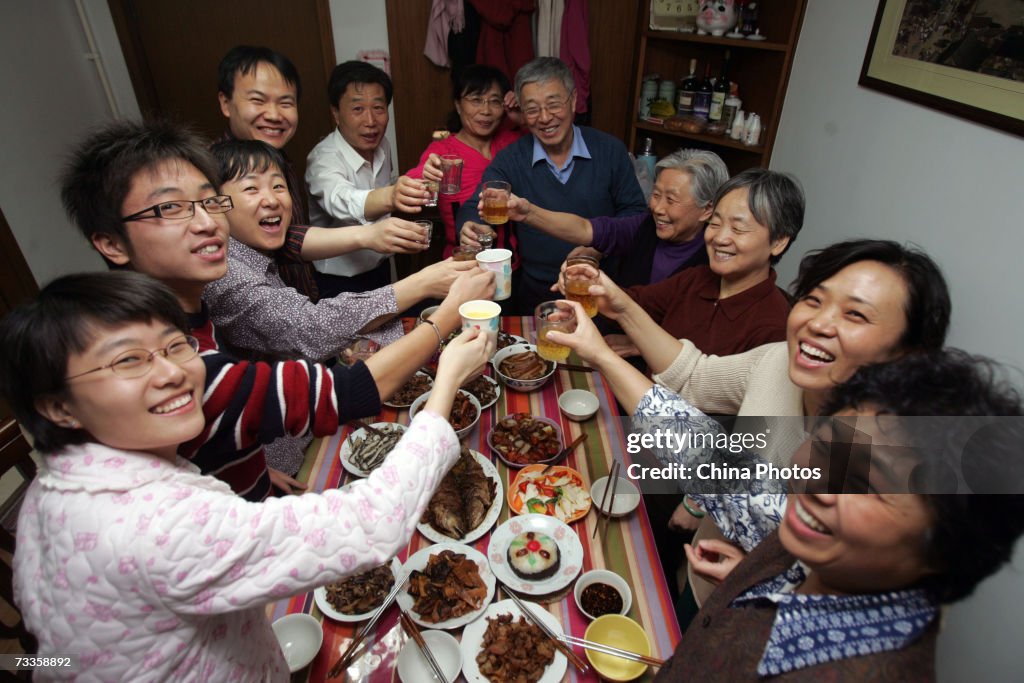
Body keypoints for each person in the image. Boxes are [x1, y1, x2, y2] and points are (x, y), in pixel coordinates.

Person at [0, 271, 494, 681]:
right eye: (129, 360)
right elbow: (373, 522)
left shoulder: (49, 490)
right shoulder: (155, 526)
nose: (172, 372)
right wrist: (446, 379)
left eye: (176, 346)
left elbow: (52, 658)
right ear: (58, 406)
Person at [549, 305, 1024, 680]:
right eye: (827, 444)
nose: (816, 484)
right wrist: (769, 584)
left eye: (868, 487)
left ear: (943, 550)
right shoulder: (817, 555)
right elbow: (712, 460)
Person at [59, 119, 494, 499]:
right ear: (112, 243)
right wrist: (443, 312)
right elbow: (324, 354)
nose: (207, 221)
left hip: (261, 458)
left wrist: (234, 461)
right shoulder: (180, 357)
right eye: (171, 207)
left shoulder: (188, 304)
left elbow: (186, 443)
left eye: (210, 202)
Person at [207, 139, 481, 361]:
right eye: (251, 188)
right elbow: (310, 327)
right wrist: (423, 283)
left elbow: (298, 239)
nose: (271, 200)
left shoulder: (253, 245)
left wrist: (371, 234)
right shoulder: (227, 273)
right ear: (214, 203)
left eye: (278, 186)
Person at [456, 57, 647, 314]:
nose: (545, 118)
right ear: (522, 112)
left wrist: (596, 249)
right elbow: (476, 202)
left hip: (601, 290)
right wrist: (471, 225)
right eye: (532, 109)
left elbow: (636, 217)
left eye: (554, 104)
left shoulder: (609, 150)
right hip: (537, 293)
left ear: (574, 100)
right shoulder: (512, 159)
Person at [508, 148, 729, 290]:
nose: (657, 208)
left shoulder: (716, 260)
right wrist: (527, 213)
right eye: (656, 194)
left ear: (707, 209)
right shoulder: (645, 226)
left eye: (671, 200)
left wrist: (637, 343)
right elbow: (585, 228)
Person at [306, 60, 432, 297]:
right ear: (335, 113)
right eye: (357, 109)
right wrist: (391, 196)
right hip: (337, 282)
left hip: (381, 266)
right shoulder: (323, 158)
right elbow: (341, 200)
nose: (371, 121)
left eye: (378, 108)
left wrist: (415, 182)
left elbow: (385, 184)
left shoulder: (382, 145)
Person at [216, 45, 315, 297]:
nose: (273, 115)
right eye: (258, 100)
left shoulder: (280, 158)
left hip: (302, 302)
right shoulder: (210, 174)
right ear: (226, 103)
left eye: (285, 103)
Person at [406, 64, 524, 259]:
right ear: (458, 105)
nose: (486, 110)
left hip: (512, 263)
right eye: (476, 100)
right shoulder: (443, 151)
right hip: (464, 262)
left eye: (495, 101)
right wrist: (425, 175)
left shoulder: (513, 141)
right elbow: (415, 179)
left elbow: (551, 151)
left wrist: (523, 119)